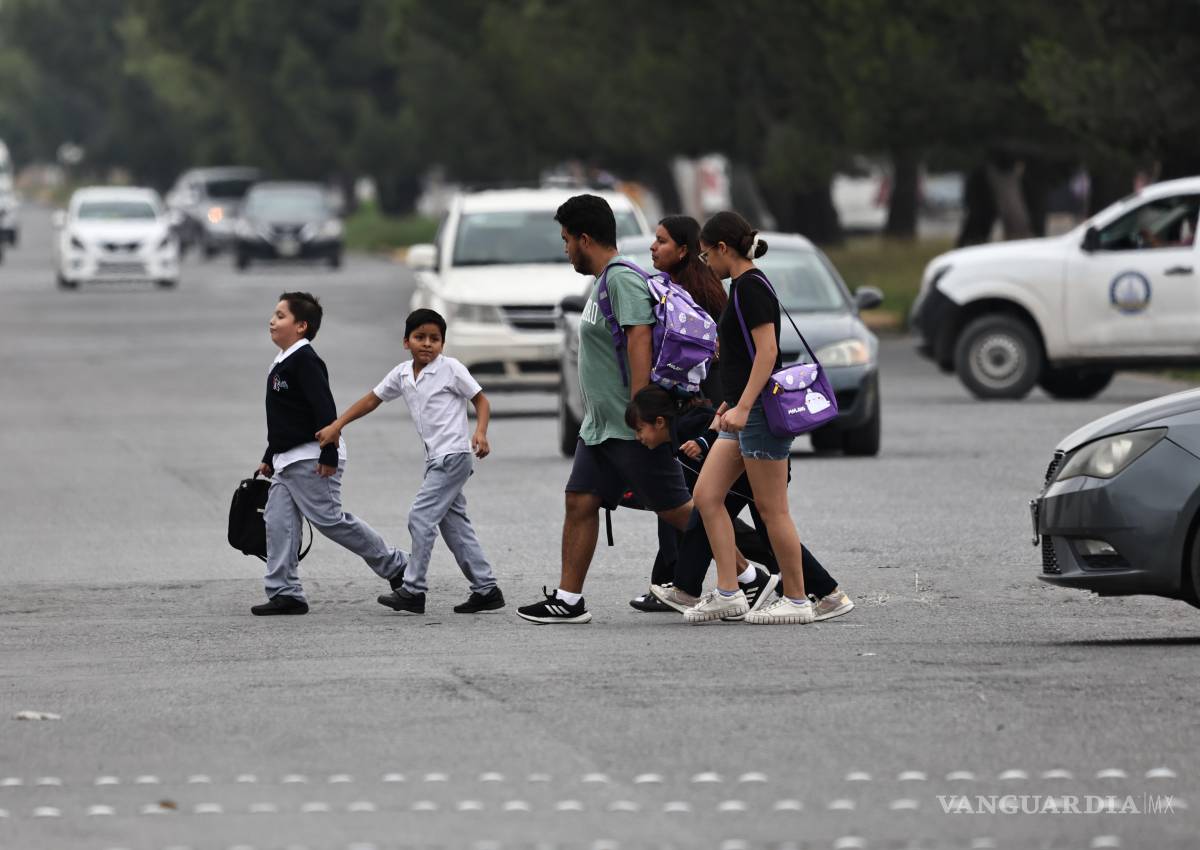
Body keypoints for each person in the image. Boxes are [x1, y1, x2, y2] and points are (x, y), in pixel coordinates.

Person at [516, 195, 694, 624]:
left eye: (565, 240)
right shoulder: (600, 282)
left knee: (679, 511)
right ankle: (569, 598)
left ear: (584, 238)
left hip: (628, 424)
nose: (564, 250)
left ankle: (751, 574)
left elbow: (639, 338)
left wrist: (640, 410)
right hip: (599, 428)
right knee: (579, 500)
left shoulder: (620, 278)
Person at [315, 309, 503, 615]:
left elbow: (481, 400)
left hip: (454, 455)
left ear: (443, 343)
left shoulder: (451, 369)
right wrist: (338, 425)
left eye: (435, 339)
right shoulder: (402, 374)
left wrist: (480, 432)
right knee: (454, 526)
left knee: (420, 516)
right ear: (406, 342)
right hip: (435, 460)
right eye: (420, 337)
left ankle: (413, 589)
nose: (427, 344)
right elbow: (371, 399)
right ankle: (486, 588)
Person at [686, 212, 817, 625]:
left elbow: (767, 353)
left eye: (707, 255)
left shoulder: (752, 288)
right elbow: (744, 359)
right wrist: (731, 403)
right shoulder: (741, 286)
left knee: (771, 508)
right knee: (707, 496)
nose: (707, 264)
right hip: (743, 410)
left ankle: (797, 599)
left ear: (723, 249)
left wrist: (743, 406)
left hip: (759, 413)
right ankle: (730, 591)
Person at [625, 386, 853, 622]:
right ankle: (718, 591)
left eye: (639, 429)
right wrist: (726, 410)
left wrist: (720, 426)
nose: (638, 437)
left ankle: (817, 593)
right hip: (743, 436)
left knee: (765, 523)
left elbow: (760, 367)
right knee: (707, 507)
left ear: (660, 422)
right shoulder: (683, 427)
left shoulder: (687, 428)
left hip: (754, 442)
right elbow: (738, 383)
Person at [253, 292, 409, 616]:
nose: (272, 320)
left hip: (312, 458)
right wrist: (270, 456)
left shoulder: (305, 360)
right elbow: (285, 420)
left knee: (330, 521)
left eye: (281, 316)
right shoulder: (282, 361)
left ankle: (398, 566)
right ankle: (286, 592)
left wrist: (328, 454)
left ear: (301, 326)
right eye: (274, 314)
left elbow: (324, 409)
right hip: (288, 460)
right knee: (278, 521)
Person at [628, 214, 728, 612]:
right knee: (687, 500)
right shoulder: (692, 289)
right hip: (704, 408)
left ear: (683, 249)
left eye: (663, 241)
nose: (654, 247)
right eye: (655, 240)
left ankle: (678, 582)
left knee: (683, 500)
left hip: (694, 411)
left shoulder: (681, 297)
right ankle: (671, 581)